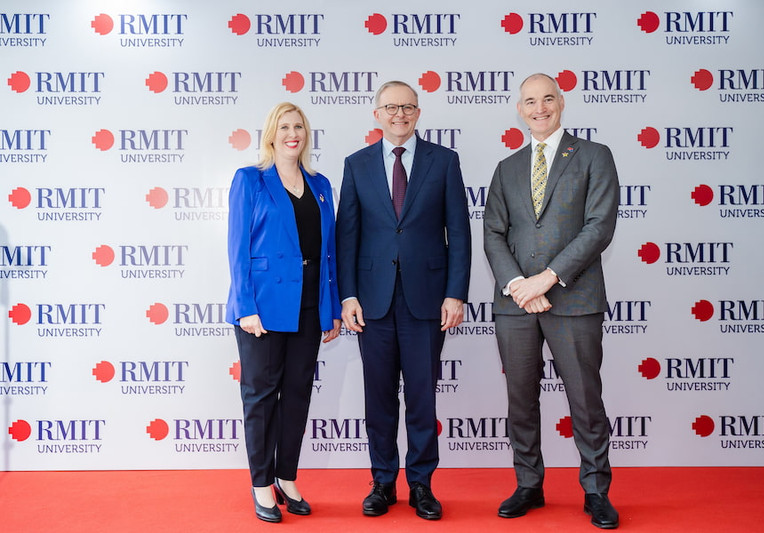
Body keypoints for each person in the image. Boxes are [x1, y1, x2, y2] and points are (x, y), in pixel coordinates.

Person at [483, 73, 620, 529]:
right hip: (516, 304)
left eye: (547, 99)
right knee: (520, 400)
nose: (539, 108)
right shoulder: (506, 167)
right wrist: (518, 285)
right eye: (530, 101)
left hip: (574, 299)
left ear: (561, 103)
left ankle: (596, 491)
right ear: (519, 109)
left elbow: (599, 227)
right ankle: (528, 484)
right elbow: (493, 232)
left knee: (585, 400)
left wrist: (546, 279)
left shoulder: (595, 156)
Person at [336, 80, 471, 520]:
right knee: (378, 398)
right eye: (391, 107)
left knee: (421, 397)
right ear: (377, 114)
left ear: (418, 113)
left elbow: (459, 233)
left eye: (408, 107)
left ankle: (421, 484)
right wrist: (348, 295)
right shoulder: (356, 164)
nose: (400, 114)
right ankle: (382, 482)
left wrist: (455, 293)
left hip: (427, 300)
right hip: (372, 302)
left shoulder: (444, 161)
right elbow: (347, 236)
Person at [226, 102, 341, 523]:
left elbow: (329, 252)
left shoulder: (321, 184)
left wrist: (331, 308)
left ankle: (286, 477)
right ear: (271, 134)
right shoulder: (250, 179)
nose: (293, 134)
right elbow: (237, 248)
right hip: (263, 309)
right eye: (285, 127)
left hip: (309, 306)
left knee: (297, 395)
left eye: (299, 127)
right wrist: (245, 307)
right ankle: (261, 484)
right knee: (260, 397)